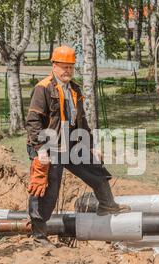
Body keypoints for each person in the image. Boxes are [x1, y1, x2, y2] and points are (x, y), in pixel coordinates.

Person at [25, 45, 130, 248]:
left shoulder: (74, 89)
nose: (67, 71)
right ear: (54, 66)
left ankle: (108, 206)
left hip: (72, 143)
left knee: (96, 170)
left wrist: (90, 146)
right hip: (49, 147)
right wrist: (40, 149)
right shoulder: (43, 88)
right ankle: (39, 237)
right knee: (46, 191)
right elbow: (33, 121)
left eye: (70, 67)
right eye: (63, 67)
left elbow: (81, 120)